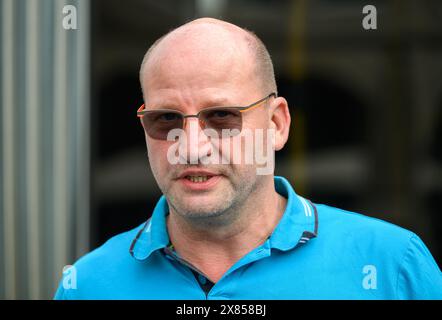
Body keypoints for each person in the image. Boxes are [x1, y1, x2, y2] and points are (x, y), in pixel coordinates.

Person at [55, 18, 441, 299]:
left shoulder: (393, 265)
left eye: (221, 116)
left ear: (277, 124)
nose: (191, 146)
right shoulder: (89, 284)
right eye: (166, 119)